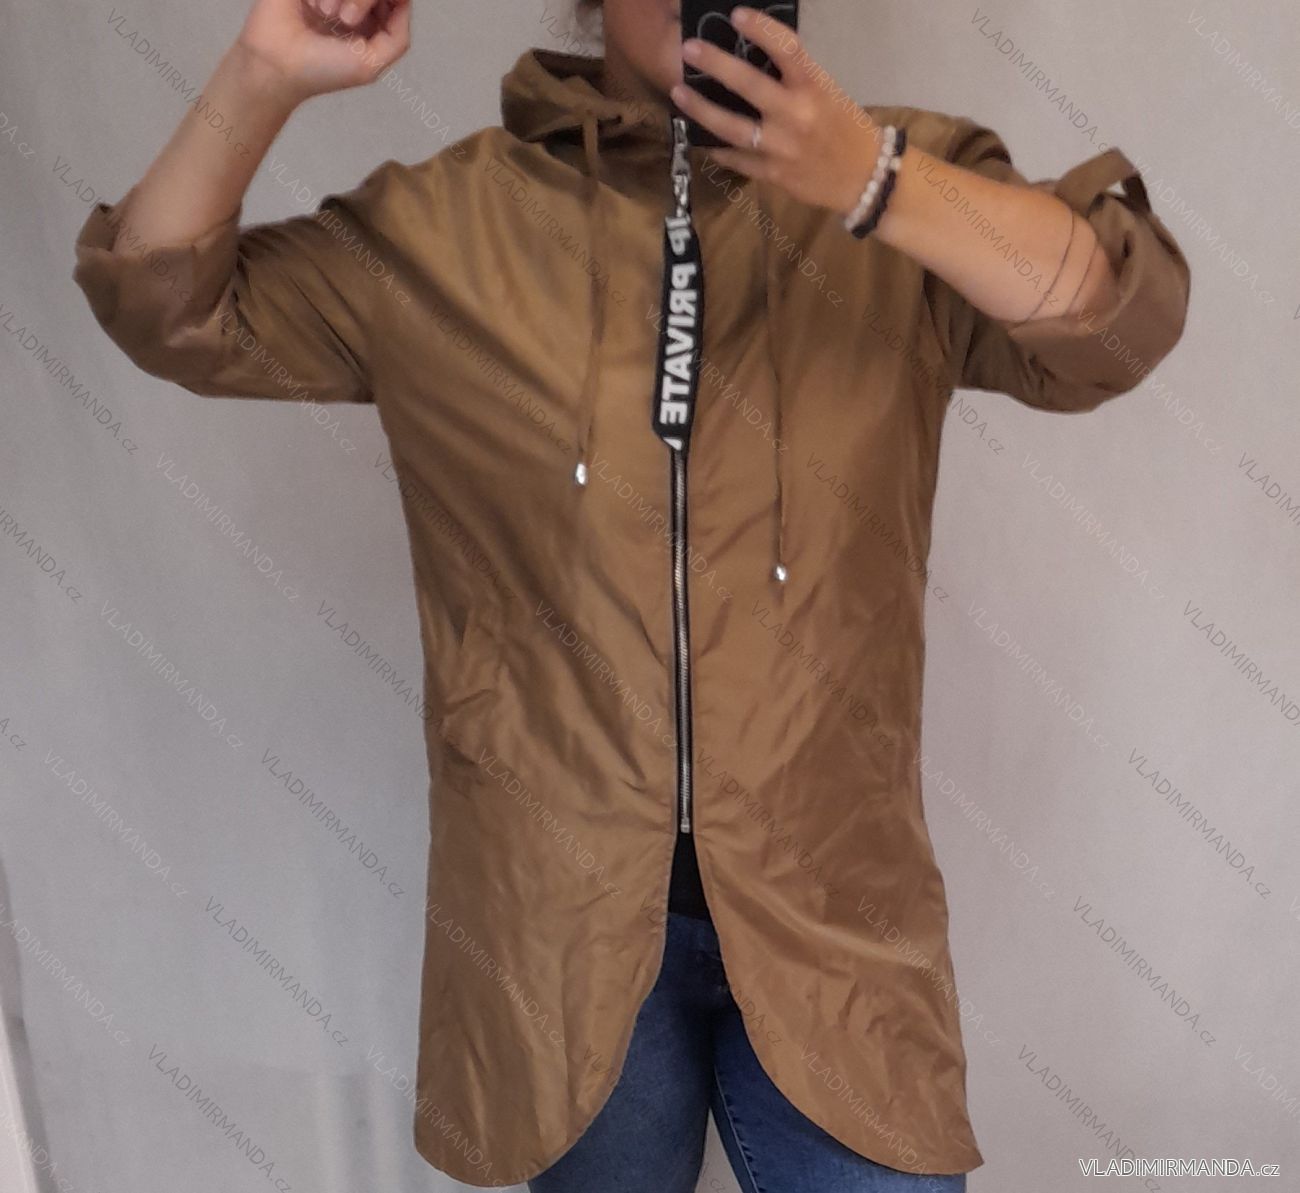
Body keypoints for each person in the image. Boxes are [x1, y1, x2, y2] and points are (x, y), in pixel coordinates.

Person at [70, 0, 1192, 1190]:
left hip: (836, 921)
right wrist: (265, 70)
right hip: (555, 931)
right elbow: (165, 307)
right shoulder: (446, 229)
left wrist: (869, 179)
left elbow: (1120, 318)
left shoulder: (907, 190)